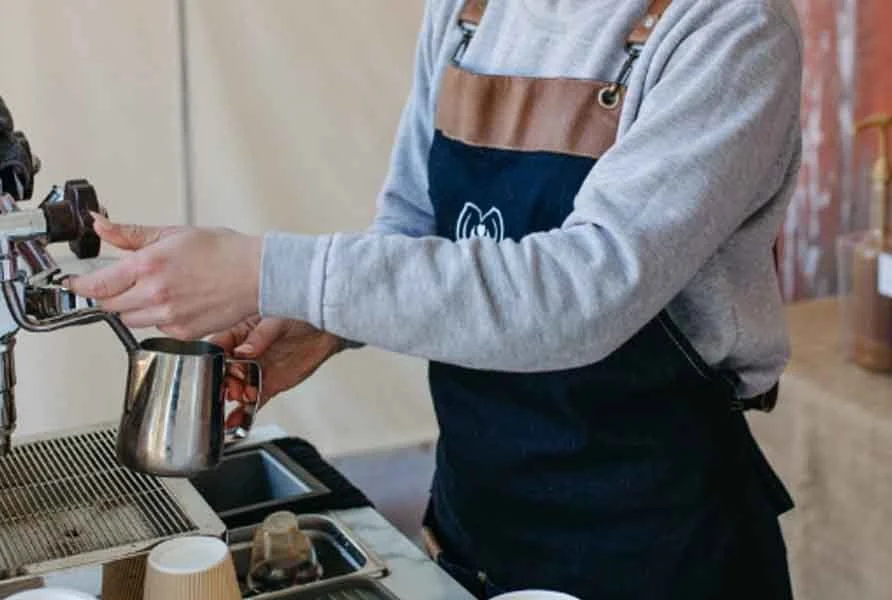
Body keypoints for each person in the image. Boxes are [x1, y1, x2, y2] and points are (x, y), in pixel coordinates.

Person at [69, 0, 803, 597]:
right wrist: (325, 321)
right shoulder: (469, 12)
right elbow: (413, 227)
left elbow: (584, 294)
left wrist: (267, 270)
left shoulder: (727, 25)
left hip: (653, 538)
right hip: (475, 512)